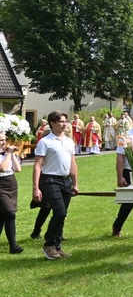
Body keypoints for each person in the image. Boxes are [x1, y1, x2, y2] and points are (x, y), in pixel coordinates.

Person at [33, 110, 78, 260]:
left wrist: (75, 183)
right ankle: (49, 245)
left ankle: (57, 247)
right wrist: (36, 187)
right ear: (52, 123)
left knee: (62, 214)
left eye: (66, 121)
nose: (65, 124)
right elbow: (38, 165)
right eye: (61, 121)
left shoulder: (69, 141)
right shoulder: (45, 142)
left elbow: (72, 163)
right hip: (50, 180)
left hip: (66, 181)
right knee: (59, 212)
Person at [0, 132, 23, 254]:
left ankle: (13, 245)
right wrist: (8, 153)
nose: (3, 142)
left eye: (4, 139)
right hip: (0, 185)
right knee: (10, 213)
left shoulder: (7, 154)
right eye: (0, 140)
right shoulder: (5, 155)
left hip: (11, 184)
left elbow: (17, 169)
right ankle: (13, 245)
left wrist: (12, 154)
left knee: (2, 216)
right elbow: (2, 168)